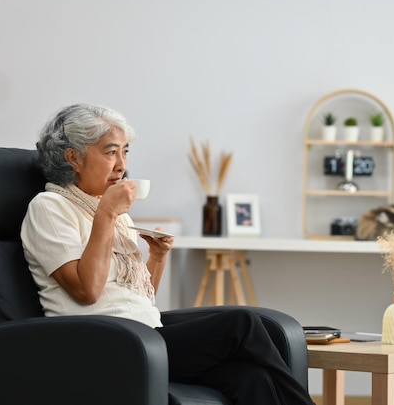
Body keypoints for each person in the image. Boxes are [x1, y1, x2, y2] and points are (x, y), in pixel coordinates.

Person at [20, 103, 315, 405]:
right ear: (74, 158)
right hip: (102, 344)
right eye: (110, 152)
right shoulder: (49, 208)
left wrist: (156, 257)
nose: (121, 165)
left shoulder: (113, 213)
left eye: (125, 152)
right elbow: (87, 291)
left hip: (144, 336)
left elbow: (139, 299)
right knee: (243, 324)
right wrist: (108, 212)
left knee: (252, 378)